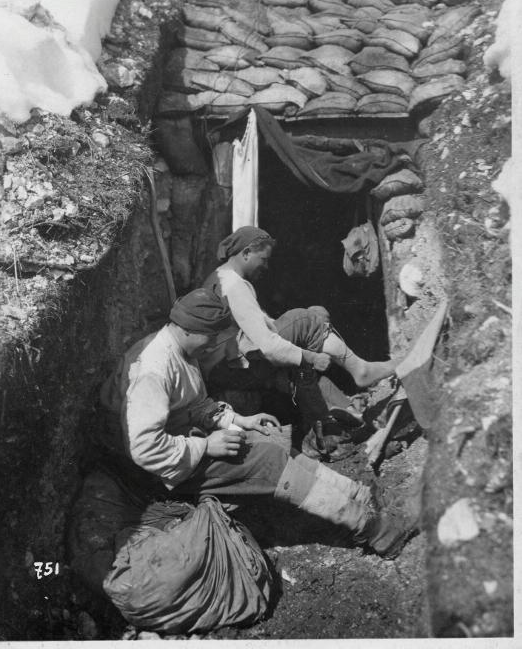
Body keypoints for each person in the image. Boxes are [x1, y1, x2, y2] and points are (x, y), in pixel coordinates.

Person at [98, 288, 417, 560]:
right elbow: (143, 448)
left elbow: (195, 405)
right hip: (160, 469)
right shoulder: (154, 371)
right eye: (210, 339)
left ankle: (356, 495)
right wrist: (207, 445)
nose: (212, 348)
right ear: (188, 329)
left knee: (272, 440)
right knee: (266, 460)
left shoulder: (181, 348)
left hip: (182, 441)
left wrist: (239, 420)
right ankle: (374, 531)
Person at [199, 226, 396, 424]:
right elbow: (267, 346)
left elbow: (259, 326)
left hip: (226, 367)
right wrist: (311, 354)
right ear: (246, 253)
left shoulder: (221, 276)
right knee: (303, 319)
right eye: (264, 259)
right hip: (230, 369)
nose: (266, 267)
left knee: (311, 324)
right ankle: (360, 370)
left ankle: (347, 413)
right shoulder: (235, 286)